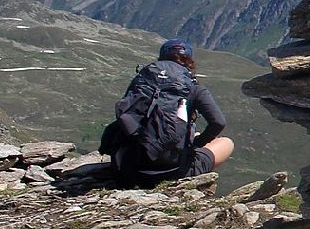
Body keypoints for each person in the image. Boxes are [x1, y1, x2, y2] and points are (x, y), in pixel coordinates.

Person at [100, 39, 235, 188]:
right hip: (172, 170)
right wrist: (196, 145)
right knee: (225, 142)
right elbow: (218, 122)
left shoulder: (142, 80)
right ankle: (190, 179)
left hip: (128, 170)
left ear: (161, 59)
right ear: (189, 62)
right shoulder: (193, 88)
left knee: (192, 136)